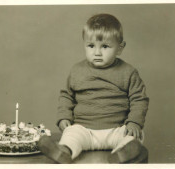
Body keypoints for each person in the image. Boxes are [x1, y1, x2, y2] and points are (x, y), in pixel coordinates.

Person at [38, 13, 149, 164]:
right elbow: (67, 96)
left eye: (105, 46)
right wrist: (64, 116)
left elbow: (139, 99)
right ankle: (63, 151)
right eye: (91, 46)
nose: (97, 52)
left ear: (120, 48)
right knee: (71, 134)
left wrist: (134, 122)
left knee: (133, 137)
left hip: (117, 128)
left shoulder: (128, 72)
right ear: (84, 44)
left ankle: (121, 155)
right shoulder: (77, 71)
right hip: (84, 129)